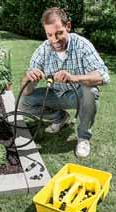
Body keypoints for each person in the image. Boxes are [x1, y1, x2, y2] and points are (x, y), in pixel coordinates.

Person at [19, 7, 110, 158]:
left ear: (68, 26)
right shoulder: (42, 50)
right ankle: (60, 118)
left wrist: (74, 77)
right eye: (49, 35)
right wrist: (29, 78)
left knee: (91, 91)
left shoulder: (82, 45)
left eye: (59, 33)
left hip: (78, 95)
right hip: (55, 94)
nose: (54, 40)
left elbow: (103, 76)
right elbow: (26, 90)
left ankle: (83, 138)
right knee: (23, 101)